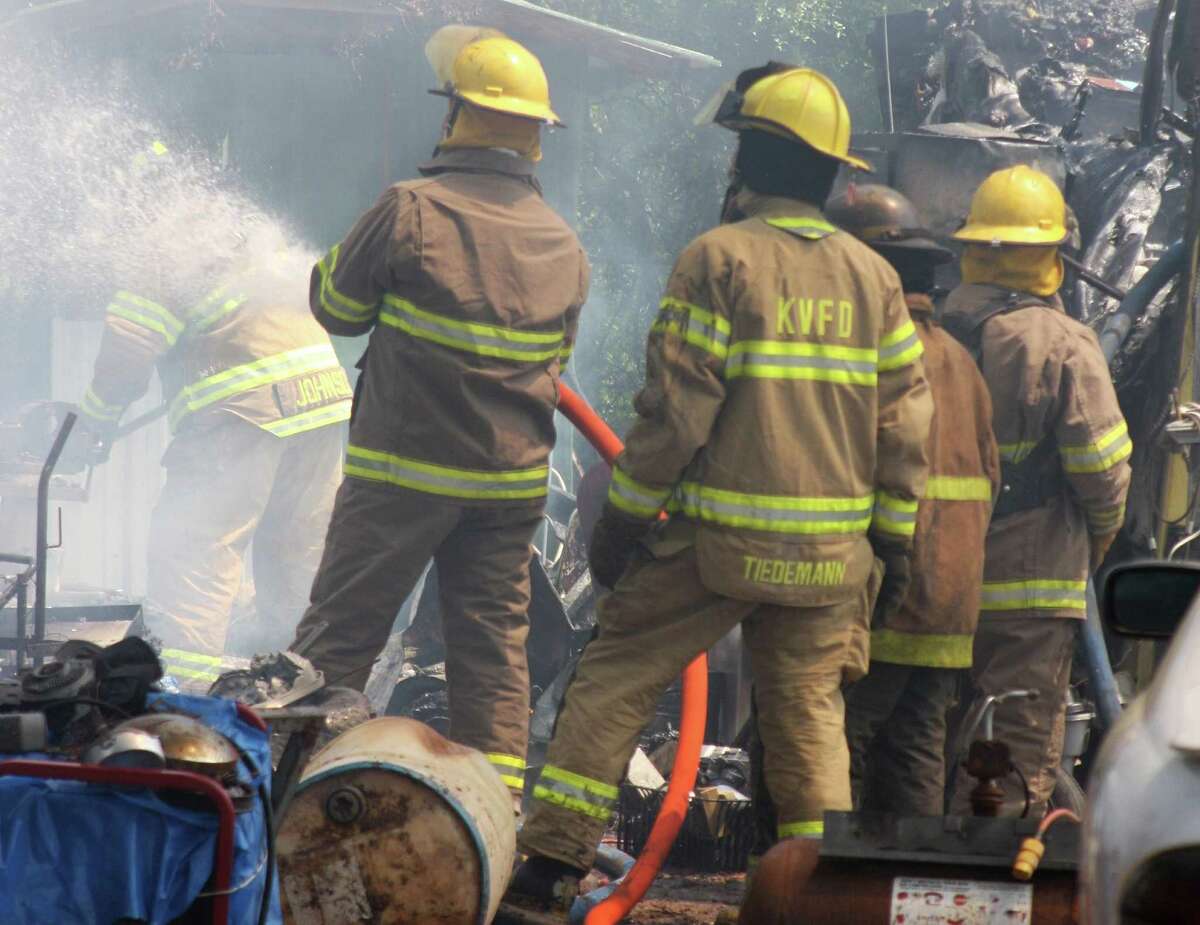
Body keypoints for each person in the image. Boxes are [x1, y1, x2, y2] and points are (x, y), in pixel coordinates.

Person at [502, 64, 932, 918]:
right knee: (810, 718)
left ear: (754, 160)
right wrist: (891, 542)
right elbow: (905, 428)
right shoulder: (873, 278)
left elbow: (674, 415)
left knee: (614, 674)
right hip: (830, 561)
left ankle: (549, 871)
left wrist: (622, 519)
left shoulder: (718, 259)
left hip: (712, 548)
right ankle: (818, 894)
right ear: (832, 172)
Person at [286, 34, 590, 800]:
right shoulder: (564, 244)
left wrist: (340, 246)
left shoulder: (408, 210)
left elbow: (338, 308)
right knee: (492, 657)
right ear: (533, 137)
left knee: (339, 642)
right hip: (509, 489)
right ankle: (492, 816)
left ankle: (286, 802)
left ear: (457, 115)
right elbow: (558, 357)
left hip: (400, 480)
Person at [79, 212, 351, 690]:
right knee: (298, 554)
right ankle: (307, 695)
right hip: (321, 403)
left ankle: (187, 700)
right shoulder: (236, 229)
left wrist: (94, 424)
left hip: (242, 413)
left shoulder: (159, 246)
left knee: (193, 552)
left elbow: (129, 346)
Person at [942, 165, 1131, 815]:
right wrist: (1095, 544)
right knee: (1010, 757)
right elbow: (1103, 472)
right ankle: (986, 899)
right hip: (1031, 586)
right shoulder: (1063, 344)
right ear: (1052, 255)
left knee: (927, 742)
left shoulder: (932, 334)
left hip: (932, 576)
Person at [825, 184, 999, 815]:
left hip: (888, 601)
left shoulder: (879, 356)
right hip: (952, 606)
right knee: (918, 752)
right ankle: (905, 894)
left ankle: (825, 893)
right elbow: (991, 480)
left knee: (840, 744)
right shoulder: (962, 361)